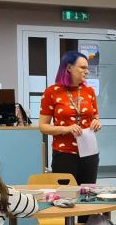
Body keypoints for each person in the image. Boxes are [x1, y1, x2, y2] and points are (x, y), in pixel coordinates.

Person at [38, 51, 102, 186]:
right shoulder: (52, 92)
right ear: (68, 68)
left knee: (87, 195)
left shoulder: (89, 91)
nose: (87, 71)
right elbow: (43, 126)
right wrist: (66, 129)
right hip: (64, 154)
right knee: (65, 197)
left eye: (87, 68)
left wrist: (96, 123)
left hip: (89, 152)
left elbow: (95, 117)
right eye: (82, 68)